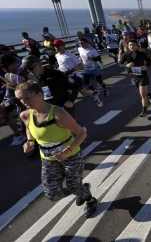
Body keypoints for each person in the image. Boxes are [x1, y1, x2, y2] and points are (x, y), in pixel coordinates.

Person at [16, 81, 97, 218]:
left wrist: (67, 151)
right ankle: (82, 189)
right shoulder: (25, 115)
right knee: (52, 194)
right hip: (48, 159)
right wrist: (30, 142)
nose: (24, 101)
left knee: (73, 187)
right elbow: (30, 128)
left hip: (71, 155)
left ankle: (90, 200)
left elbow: (82, 134)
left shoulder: (58, 113)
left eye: (27, 97)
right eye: (20, 99)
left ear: (40, 95)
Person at [21, 55, 80, 119]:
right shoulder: (30, 76)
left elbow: (76, 86)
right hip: (47, 108)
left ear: (39, 65)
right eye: (26, 69)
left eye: (30, 68)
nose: (28, 71)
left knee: (69, 126)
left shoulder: (56, 74)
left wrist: (71, 101)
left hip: (63, 106)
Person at [53, 39, 104, 105]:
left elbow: (81, 65)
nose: (56, 48)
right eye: (55, 46)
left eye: (58, 46)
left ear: (63, 46)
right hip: (66, 78)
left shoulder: (70, 55)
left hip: (75, 77)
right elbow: (61, 65)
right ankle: (68, 108)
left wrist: (71, 70)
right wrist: (56, 71)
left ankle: (95, 97)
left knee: (85, 94)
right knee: (68, 94)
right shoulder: (57, 56)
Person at [118, 40, 151, 117]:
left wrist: (146, 66)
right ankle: (149, 94)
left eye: (134, 45)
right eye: (130, 45)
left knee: (142, 94)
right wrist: (126, 65)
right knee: (142, 92)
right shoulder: (126, 55)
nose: (132, 46)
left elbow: (149, 61)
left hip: (142, 75)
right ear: (128, 46)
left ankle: (144, 111)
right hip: (133, 76)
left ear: (137, 46)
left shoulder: (141, 54)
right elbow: (120, 63)